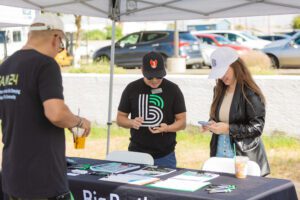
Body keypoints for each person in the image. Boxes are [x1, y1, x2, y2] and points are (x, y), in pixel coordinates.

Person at [0, 14, 91, 199]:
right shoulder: (45, 64)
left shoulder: (5, 66)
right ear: (55, 38)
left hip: (12, 175)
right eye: (61, 44)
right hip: (42, 177)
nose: (59, 50)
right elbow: (56, 113)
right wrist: (79, 121)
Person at [201, 47, 270, 176]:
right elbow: (218, 117)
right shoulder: (219, 90)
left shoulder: (250, 93)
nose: (221, 77)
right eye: (218, 73)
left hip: (243, 155)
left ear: (235, 66)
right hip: (220, 149)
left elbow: (257, 128)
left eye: (224, 71)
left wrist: (228, 129)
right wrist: (211, 124)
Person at [116, 51, 186, 168]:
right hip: (136, 154)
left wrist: (168, 128)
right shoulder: (131, 88)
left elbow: (182, 122)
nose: (154, 81)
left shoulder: (173, 89)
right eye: (150, 77)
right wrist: (131, 122)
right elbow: (120, 118)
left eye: (159, 76)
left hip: (165, 155)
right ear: (142, 70)